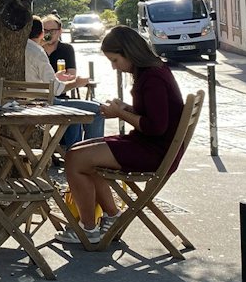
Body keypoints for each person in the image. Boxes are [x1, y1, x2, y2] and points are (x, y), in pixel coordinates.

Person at [59, 26, 185, 245]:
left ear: (129, 53)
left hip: (154, 151)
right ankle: (109, 217)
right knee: (78, 152)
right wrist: (126, 108)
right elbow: (154, 115)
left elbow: (155, 126)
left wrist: (119, 113)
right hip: (153, 146)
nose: (114, 67)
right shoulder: (154, 71)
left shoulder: (152, 77)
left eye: (115, 60)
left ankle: (88, 228)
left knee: (75, 158)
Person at [25, 16, 103, 149]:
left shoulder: (20, 48)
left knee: (74, 112)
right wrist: (77, 82)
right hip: (43, 102)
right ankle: (88, 154)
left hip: (23, 101)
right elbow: (56, 89)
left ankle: (73, 151)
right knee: (99, 110)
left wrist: (56, 77)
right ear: (42, 33)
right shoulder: (38, 51)